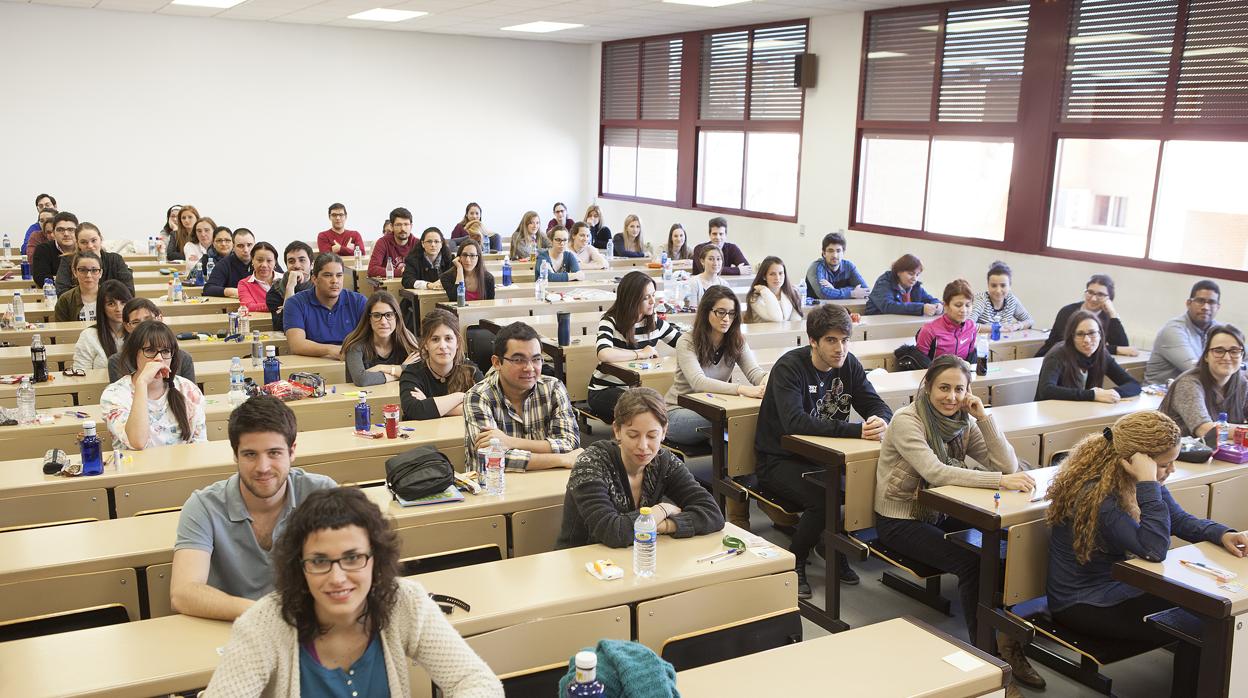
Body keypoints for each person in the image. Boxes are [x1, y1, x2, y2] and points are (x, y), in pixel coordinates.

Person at [204, 486, 503, 697]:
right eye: (320, 561)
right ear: (299, 565)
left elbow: (475, 681)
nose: (337, 577)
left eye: (352, 558)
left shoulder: (404, 602)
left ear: (376, 558)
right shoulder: (263, 626)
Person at [1045, 411, 1248, 696]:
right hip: (1085, 603)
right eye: (1166, 464)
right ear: (1136, 462)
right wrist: (1149, 483)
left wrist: (1222, 533)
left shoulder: (1133, 481)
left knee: (1211, 615)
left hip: (1122, 586)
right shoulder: (1097, 496)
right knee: (1202, 626)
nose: (1172, 470)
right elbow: (1154, 549)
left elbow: (1177, 520)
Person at [874, 354, 1040, 696]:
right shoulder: (909, 420)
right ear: (928, 387)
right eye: (943, 388)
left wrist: (984, 418)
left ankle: (1008, 637)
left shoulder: (963, 420)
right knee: (972, 563)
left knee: (1015, 540)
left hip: (939, 510)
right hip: (900, 517)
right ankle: (989, 660)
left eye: (958, 390)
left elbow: (1006, 464)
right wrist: (999, 482)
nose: (951, 397)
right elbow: (935, 471)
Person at [755, 303, 892, 594]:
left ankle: (830, 546)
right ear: (813, 341)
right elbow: (795, 422)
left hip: (825, 458)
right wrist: (857, 430)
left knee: (861, 485)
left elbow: (875, 404)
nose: (840, 348)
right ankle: (796, 559)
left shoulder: (850, 365)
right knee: (826, 497)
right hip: (780, 459)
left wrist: (881, 419)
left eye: (844, 340)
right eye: (831, 340)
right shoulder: (790, 367)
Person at [171, 395, 337, 621]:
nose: (263, 467)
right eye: (250, 454)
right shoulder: (203, 506)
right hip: (231, 627)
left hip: (308, 625)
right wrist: (270, 615)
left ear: (292, 451)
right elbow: (183, 593)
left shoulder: (322, 494)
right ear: (235, 455)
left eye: (274, 453)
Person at [557, 387, 725, 549]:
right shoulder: (591, 463)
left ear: (664, 432)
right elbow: (613, 532)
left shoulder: (663, 461)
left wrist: (664, 525)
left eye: (652, 435)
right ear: (617, 430)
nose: (643, 446)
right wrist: (661, 510)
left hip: (636, 555)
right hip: (583, 562)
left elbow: (713, 514)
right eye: (633, 435)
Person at [463, 322, 583, 471]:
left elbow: (569, 443)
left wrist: (510, 442)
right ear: (497, 362)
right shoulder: (478, 396)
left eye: (536, 359)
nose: (530, 368)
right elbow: (490, 457)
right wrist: (561, 459)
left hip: (548, 480)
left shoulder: (553, 388)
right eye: (518, 360)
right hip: (497, 487)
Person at [665, 286, 767, 449]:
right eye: (721, 312)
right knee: (730, 421)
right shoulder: (687, 341)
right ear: (706, 312)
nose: (726, 318)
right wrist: (741, 389)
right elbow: (699, 382)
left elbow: (756, 373)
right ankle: (730, 469)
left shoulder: (737, 341)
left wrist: (767, 381)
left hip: (713, 407)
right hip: (678, 412)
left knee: (744, 419)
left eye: (731, 313)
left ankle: (739, 470)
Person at [587, 271, 682, 422]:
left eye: (653, 295)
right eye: (646, 297)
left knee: (657, 404)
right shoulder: (610, 320)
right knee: (642, 408)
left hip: (639, 389)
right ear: (632, 299)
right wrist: (641, 353)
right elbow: (604, 353)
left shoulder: (653, 321)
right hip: (605, 390)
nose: (653, 301)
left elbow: (683, 344)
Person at [101, 320, 207, 449]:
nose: (159, 358)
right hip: (136, 468)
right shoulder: (114, 395)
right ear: (134, 354)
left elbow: (200, 447)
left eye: (166, 351)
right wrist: (142, 382)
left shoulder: (188, 390)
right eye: (150, 350)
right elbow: (137, 442)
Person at [1159, 325, 1246, 438]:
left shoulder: (1242, 384)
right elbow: (1205, 430)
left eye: (1234, 351)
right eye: (1218, 351)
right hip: (1177, 453)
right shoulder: (1188, 383)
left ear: (1242, 356)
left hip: (1219, 451)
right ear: (1206, 356)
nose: (1227, 357)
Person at [1036, 310, 1141, 403]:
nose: (1087, 340)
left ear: (1100, 335)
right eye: (1080, 334)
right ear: (1071, 337)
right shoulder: (1057, 354)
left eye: (1092, 333)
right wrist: (1093, 395)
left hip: (1084, 411)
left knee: (1109, 426)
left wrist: (1112, 393)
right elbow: (1046, 390)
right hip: (1051, 414)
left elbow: (1133, 384)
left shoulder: (1102, 354)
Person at [400, 309, 484, 420]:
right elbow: (415, 410)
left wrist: (429, 405)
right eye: (435, 339)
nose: (443, 346)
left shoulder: (470, 370)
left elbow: (485, 405)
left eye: (448, 338)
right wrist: (462, 396)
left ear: (457, 342)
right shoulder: (412, 373)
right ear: (425, 344)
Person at [283, 253, 369, 359]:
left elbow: (372, 339)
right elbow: (296, 345)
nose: (335, 281)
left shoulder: (358, 302)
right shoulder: (295, 303)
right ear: (314, 279)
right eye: (327, 275)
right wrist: (335, 351)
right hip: (312, 365)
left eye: (339, 275)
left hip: (351, 362)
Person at [1034, 274, 1136, 358]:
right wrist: (1115, 349)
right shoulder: (1068, 311)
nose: (1093, 299)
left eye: (1100, 295)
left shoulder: (1108, 316)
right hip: (1052, 359)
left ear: (1109, 299)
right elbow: (1072, 345)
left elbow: (1124, 347)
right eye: (1090, 292)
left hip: (1082, 363)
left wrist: (1113, 315)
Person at [1145, 280, 1222, 384]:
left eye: (1211, 302)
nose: (1205, 307)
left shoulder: (1219, 329)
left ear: (1218, 307)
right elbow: (1196, 370)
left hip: (1197, 391)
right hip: (1160, 395)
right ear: (1188, 303)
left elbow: (1241, 354)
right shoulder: (1174, 330)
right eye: (1200, 301)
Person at [108, 298, 196, 382]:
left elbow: (190, 395)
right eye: (136, 322)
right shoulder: (117, 362)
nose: (144, 326)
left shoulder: (183, 358)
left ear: (160, 318)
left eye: (149, 319)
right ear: (127, 326)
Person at [341, 291, 418, 387]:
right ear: (369, 319)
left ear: (397, 317)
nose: (383, 321)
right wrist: (400, 370)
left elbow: (420, 373)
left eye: (389, 315)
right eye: (377, 315)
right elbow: (361, 380)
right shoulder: (355, 345)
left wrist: (381, 368)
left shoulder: (407, 339)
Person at [440, 240, 497, 368]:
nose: (468, 259)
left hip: (481, 323)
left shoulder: (487, 278)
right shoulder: (447, 277)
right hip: (457, 322)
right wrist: (459, 270)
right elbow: (456, 299)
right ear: (459, 257)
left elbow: (491, 306)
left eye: (472, 255)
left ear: (478, 257)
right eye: (464, 255)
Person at [54, 222, 135, 295]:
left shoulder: (115, 260)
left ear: (101, 239)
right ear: (78, 244)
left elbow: (128, 291)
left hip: (111, 309)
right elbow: (61, 291)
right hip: (78, 308)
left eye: (94, 240)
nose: (90, 246)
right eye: (83, 242)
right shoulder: (68, 261)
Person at [72, 280, 132, 371]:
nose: (119, 309)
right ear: (102, 307)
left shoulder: (138, 331)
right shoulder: (89, 336)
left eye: (123, 303)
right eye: (111, 304)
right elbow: (80, 374)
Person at [916, 279, 978, 362]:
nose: (963, 310)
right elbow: (920, 364)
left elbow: (971, 359)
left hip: (963, 373)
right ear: (945, 305)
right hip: (936, 373)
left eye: (968, 305)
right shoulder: (929, 330)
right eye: (958, 305)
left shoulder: (971, 327)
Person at [865, 253, 940, 316]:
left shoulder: (915, 286)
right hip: (878, 325)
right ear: (898, 272)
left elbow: (930, 299)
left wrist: (937, 305)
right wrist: (921, 308)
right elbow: (888, 306)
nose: (915, 278)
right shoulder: (884, 282)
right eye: (911, 274)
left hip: (902, 325)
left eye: (917, 275)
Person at [804, 232, 869, 300]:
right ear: (824, 253)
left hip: (841, 308)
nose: (835, 255)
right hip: (816, 309)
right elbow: (823, 294)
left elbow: (865, 291)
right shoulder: (816, 267)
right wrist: (852, 293)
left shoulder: (849, 266)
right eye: (830, 251)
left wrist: (834, 290)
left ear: (843, 252)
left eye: (838, 251)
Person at [266, 241, 315, 332]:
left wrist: (286, 307)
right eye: (291, 261)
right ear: (287, 266)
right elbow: (282, 325)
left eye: (302, 260)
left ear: (312, 264)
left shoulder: (321, 287)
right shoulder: (275, 292)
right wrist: (290, 287)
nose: (296, 266)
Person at [971, 261, 1032, 332]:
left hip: (1004, 342)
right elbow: (968, 325)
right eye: (993, 285)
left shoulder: (1012, 300)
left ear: (1010, 286)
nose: (998, 290)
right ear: (988, 285)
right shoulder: (981, 299)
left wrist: (1016, 326)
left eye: (1003, 285)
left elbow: (1030, 321)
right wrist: (996, 329)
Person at [745, 256, 803, 323]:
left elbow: (796, 322)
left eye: (781, 273)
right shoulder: (755, 297)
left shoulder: (792, 293)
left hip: (785, 333)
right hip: (763, 333)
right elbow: (776, 319)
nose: (777, 278)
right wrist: (765, 291)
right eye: (772, 274)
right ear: (764, 276)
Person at [32, 211, 78, 291]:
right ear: (53, 233)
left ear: (77, 231)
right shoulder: (43, 250)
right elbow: (41, 278)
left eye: (71, 230)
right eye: (60, 230)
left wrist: (58, 278)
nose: (66, 234)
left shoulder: (85, 248)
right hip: (54, 295)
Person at [204, 228, 256, 298]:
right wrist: (233, 291)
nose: (246, 250)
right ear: (233, 247)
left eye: (249, 245)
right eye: (240, 246)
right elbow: (208, 289)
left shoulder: (266, 260)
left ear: (255, 245)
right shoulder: (224, 264)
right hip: (234, 306)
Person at [53, 251, 103, 322]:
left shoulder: (110, 297)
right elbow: (61, 330)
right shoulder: (65, 300)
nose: (88, 275)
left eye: (94, 270)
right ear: (75, 272)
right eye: (82, 270)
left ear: (100, 273)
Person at [368, 208, 417, 279]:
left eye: (406, 224)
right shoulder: (383, 242)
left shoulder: (417, 243)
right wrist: (400, 272)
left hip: (412, 286)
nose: (402, 228)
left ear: (411, 226)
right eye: (398, 225)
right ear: (392, 226)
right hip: (387, 287)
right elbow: (372, 270)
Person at [401, 227, 452, 291]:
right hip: (417, 299)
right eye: (429, 241)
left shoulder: (450, 259)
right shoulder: (413, 260)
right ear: (422, 244)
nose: (433, 245)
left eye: (436, 241)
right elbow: (407, 281)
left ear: (441, 244)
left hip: (444, 297)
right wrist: (428, 285)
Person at [236, 242, 282, 313]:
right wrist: (279, 304)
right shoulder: (244, 284)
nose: (264, 265)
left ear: (275, 262)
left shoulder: (285, 279)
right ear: (252, 261)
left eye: (269, 261)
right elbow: (249, 307)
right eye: (260, 260)